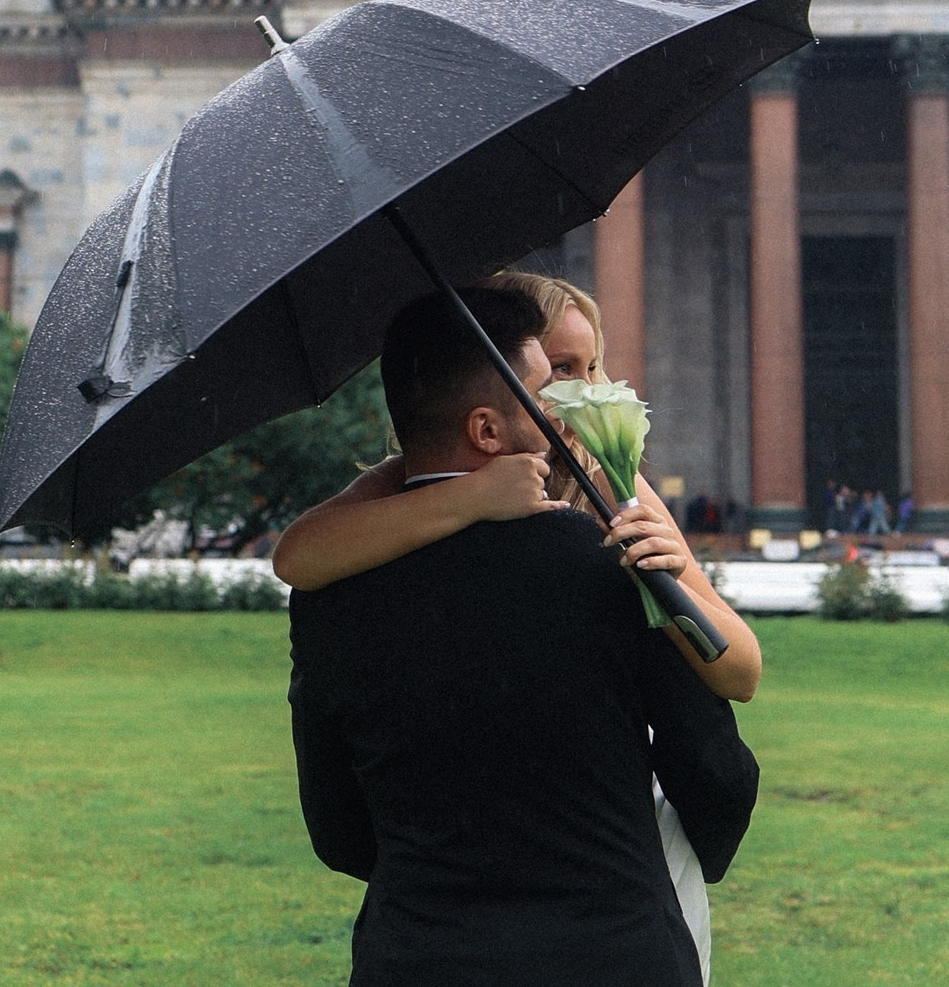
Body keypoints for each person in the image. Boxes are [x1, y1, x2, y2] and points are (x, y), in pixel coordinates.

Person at [288, 286, 758, 987]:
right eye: (548, 387)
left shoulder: (329, 588)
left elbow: (337, 825)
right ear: (486, 430)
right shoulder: (609, 559)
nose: (570, 407)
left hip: (418, 954)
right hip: (613, 949)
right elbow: (710, 756)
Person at [273, 270, 762, 704]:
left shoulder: (606, 480)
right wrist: (474, 496)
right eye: (560, 370)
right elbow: (298, 556)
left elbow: (740, 673)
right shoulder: (408, 474)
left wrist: (667, 582)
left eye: (592, 367)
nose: (587, 393)